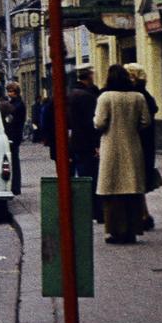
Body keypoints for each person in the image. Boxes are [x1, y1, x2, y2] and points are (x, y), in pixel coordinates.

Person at [93, 65, 152, 244]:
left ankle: (114, 231)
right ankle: (132, 230)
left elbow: (100, 123)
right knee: (132, 190)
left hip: (111, 146)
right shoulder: (138, 97)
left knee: (111, 191)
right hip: (133, 146)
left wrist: (96, 121)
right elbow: (146, 121)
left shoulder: (106, 97)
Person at [125, 64, 161, 232]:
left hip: (141, 141)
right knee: (137, 179)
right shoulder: (142, 94)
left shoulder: (139, 95)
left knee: (137, 179)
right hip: (143, 141)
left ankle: (142, 216)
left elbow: (146, 117)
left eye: (130, 75)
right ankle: (143, 214)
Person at [66, 69, 101, 221]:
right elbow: (90, 123)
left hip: (75, 141)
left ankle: (81, 209)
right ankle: (93, 210)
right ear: (89, 78)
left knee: (80, 175)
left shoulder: (70, 94)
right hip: (86, 142)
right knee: (91, 178)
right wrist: (96, 144)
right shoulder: (87, 97)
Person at [1, 82, 27, 195]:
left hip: (14, 135)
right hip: (14, 134)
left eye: (11, 91)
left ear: (15, 92)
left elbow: (12, 119)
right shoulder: (15, 103)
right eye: (8, 91)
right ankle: (14, 186)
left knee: (14, 161)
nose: (9, 93)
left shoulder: (18, 105)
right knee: (13, 160)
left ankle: (16, 186)